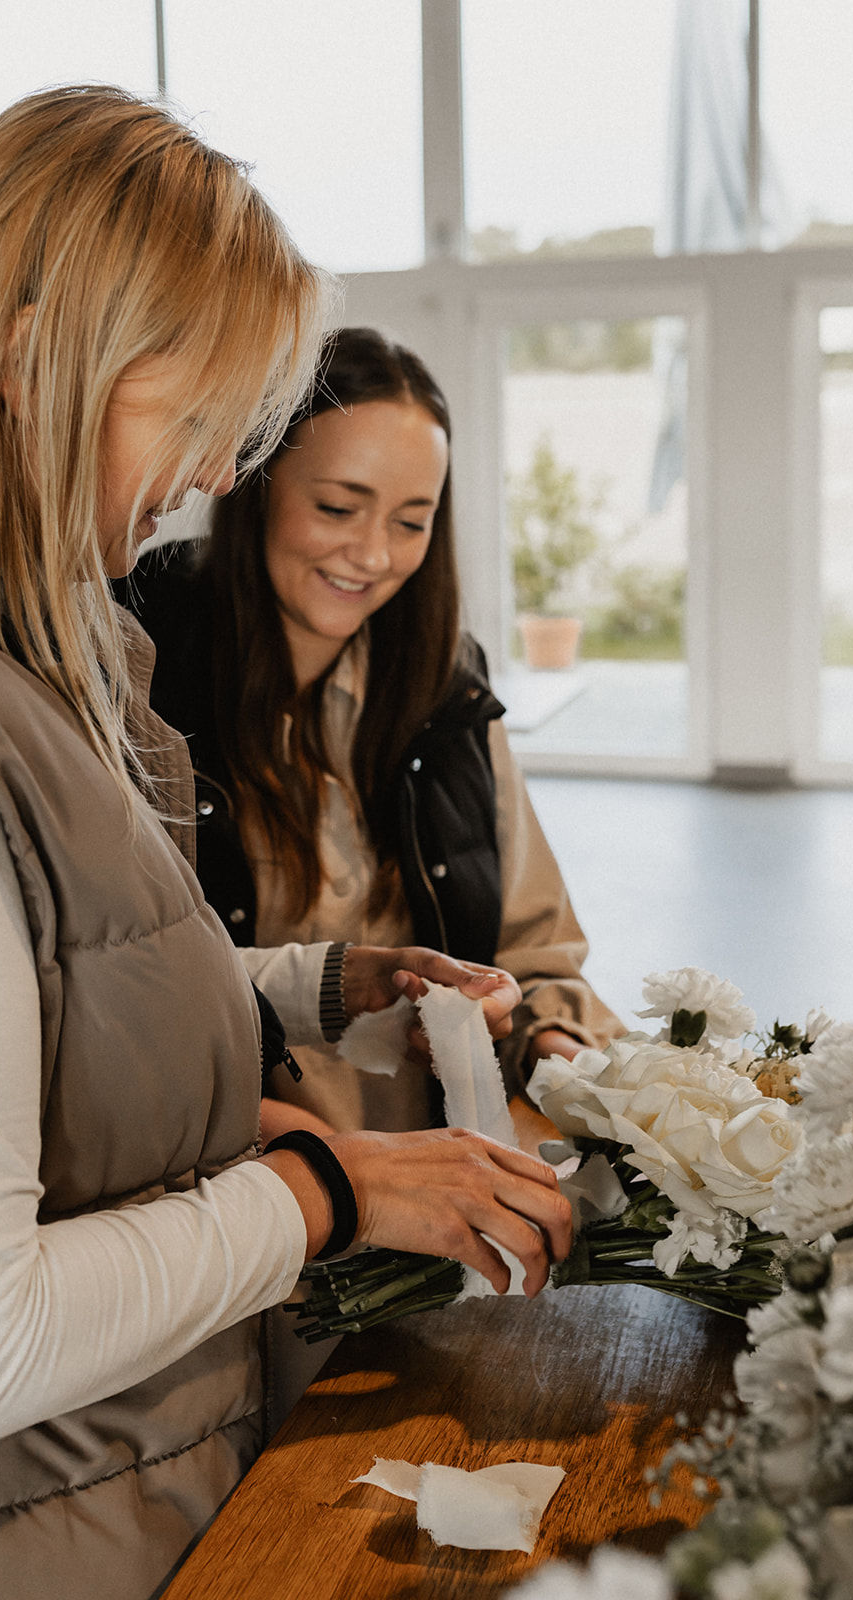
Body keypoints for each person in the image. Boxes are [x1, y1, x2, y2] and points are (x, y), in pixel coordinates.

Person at [0, 90, 573, 1600]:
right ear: (40, 355)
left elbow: (31, 1013)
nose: (214, 478)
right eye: (201, 420)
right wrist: (332, 1190)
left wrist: (308, 983)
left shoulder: (11, 649)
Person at [120, 326, 623, 1138]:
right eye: (337, 507)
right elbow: (111, 998)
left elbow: (532, 953)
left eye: (410, 522)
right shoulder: (131, 663)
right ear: (253, 479)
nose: (371, 554)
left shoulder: (448, 687)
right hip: (238, 1202)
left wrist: (557, 1048)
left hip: (429, 1206)